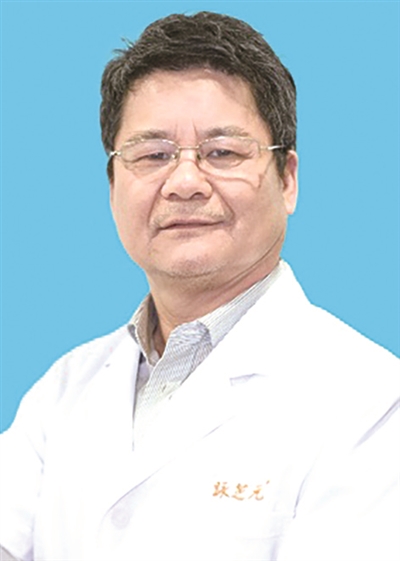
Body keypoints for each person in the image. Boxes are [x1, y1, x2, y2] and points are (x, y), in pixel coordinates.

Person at [0, 11, 399, 561]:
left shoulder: (373, 402)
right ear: (112, 186)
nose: (184, 182)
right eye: (153, 155)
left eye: (223, 153)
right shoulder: (64, 389)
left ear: (288, 180)